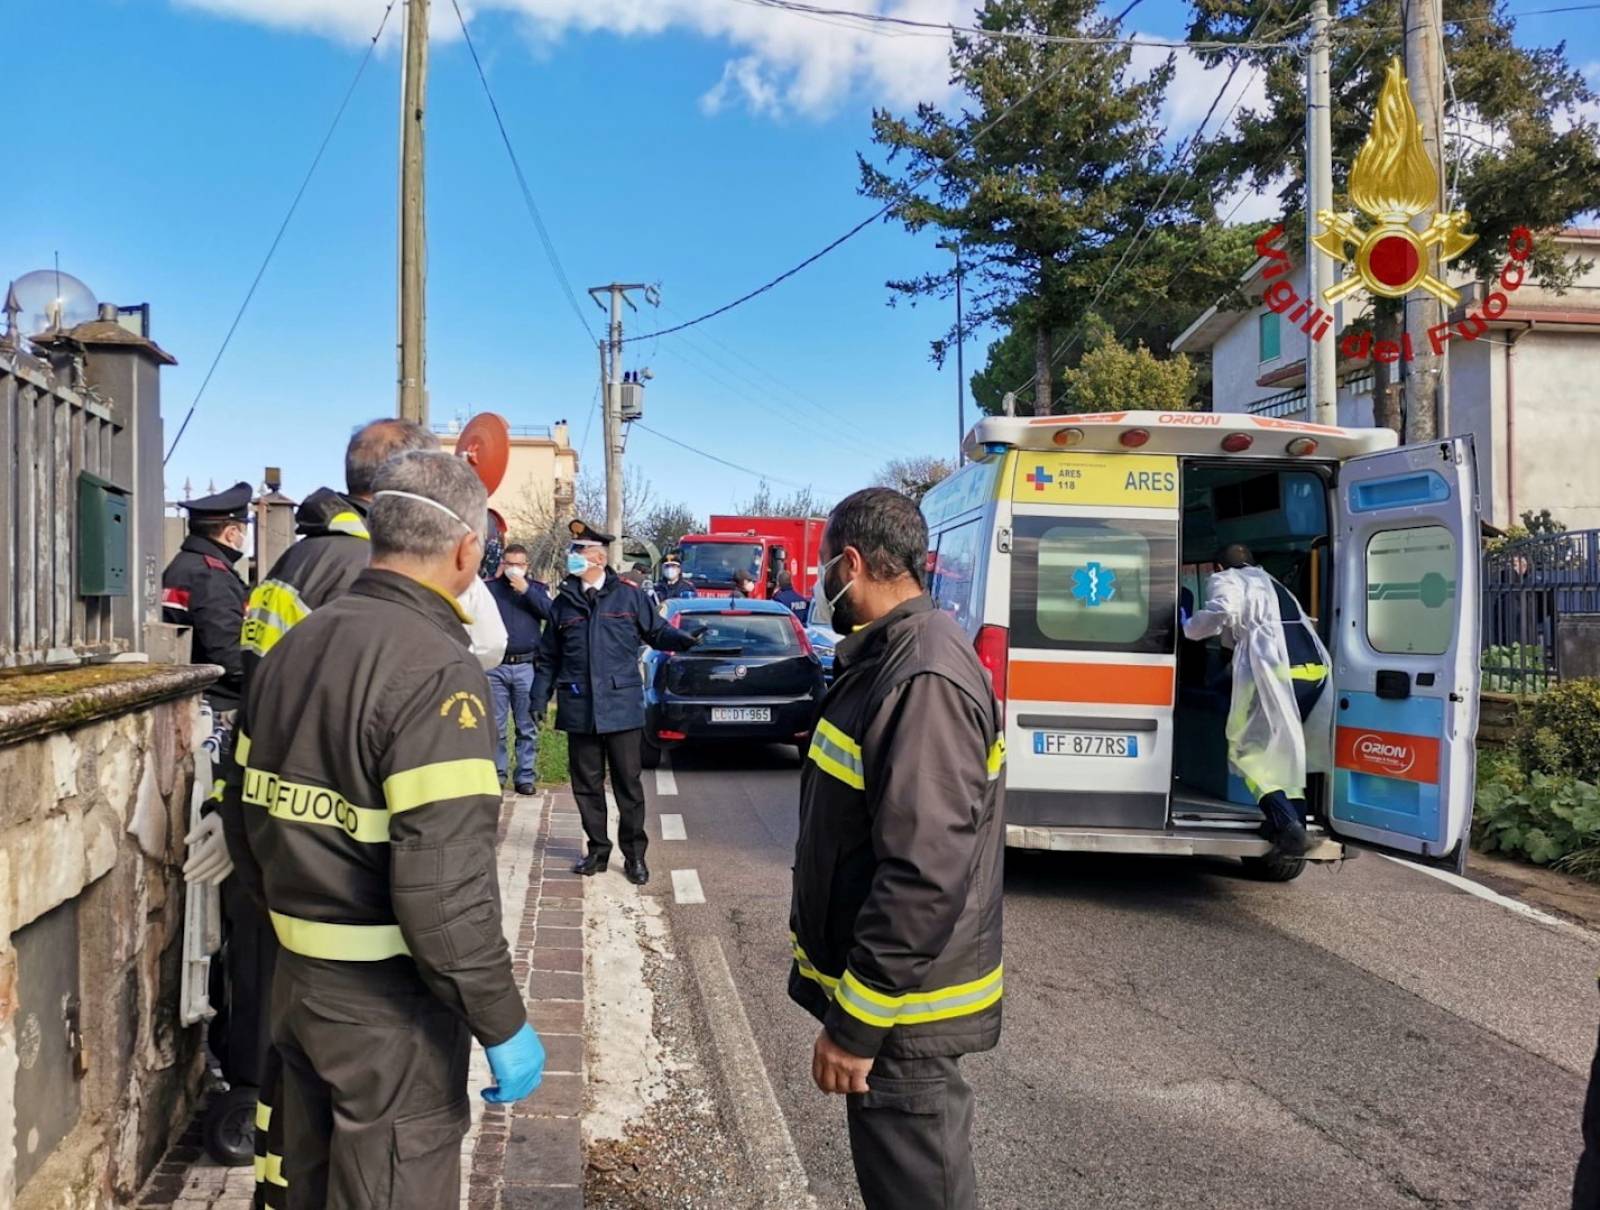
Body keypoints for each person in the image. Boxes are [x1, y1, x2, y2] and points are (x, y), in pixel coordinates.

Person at [221, 451, 543, 1209]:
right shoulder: (438, 671)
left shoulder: (294, 642)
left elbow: (241, 812)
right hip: (389, 1011)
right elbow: (444, 893)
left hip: (298, 987)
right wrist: (501, 1020)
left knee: (305, 1183)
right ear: (468, 549)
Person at [196, 419, 434, 1209]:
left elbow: (262, 679)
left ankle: (271, 1163)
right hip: (324, 838)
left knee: (270, 1010)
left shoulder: (296, 557)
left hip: (267, 812)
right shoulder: (357, 566)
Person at [788, 487, 1005, 1210]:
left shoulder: (921, 675)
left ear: (851, 563)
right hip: (894, 1014)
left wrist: (856, 1025)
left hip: (903, 1020)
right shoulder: (892, 657)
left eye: (824, 569)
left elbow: (923, 871)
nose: (822, 588)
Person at [532, 520, 699, 886]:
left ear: (597, 557)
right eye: (571, 552)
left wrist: (684, 640)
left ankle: (635, 856)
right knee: (586, 786)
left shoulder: (628, 595)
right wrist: (538, 697)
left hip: (621, 707)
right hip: (580, 708)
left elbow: (655, 631)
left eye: (577, 552)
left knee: (628, 786)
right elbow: (548, 658)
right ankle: (597, 851)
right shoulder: (563, 604)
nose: (571, 558)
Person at [1182, 543, 1332, 857]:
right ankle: (1293, 826)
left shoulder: (1228, 580)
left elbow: (1223, 610)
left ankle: (1287, 823)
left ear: (1219, 568)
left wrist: (1189, 628)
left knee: (1245, 751)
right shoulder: (1273, 583)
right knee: (1285, 753)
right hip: (1313, 669)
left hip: (1273, 670)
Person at [163, 482, 253, 715]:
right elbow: (229, 656)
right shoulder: (211, 575)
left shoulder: (184, 564)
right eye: (244, 529)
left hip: (194, 692)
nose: (244, 537)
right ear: (231, 532)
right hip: (218, 702)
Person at [485, 542, 552, 795]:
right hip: (495, 666)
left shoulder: (536, 590)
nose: (513, 569)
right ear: (502, 563)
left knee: (527, 727)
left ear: (527, 567)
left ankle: (525, 776)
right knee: (496, 727)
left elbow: (551, 613)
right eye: (509, 563)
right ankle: (497, 775)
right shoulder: (489, 589)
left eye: (519, 565)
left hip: (526, 665)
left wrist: (526, 591)